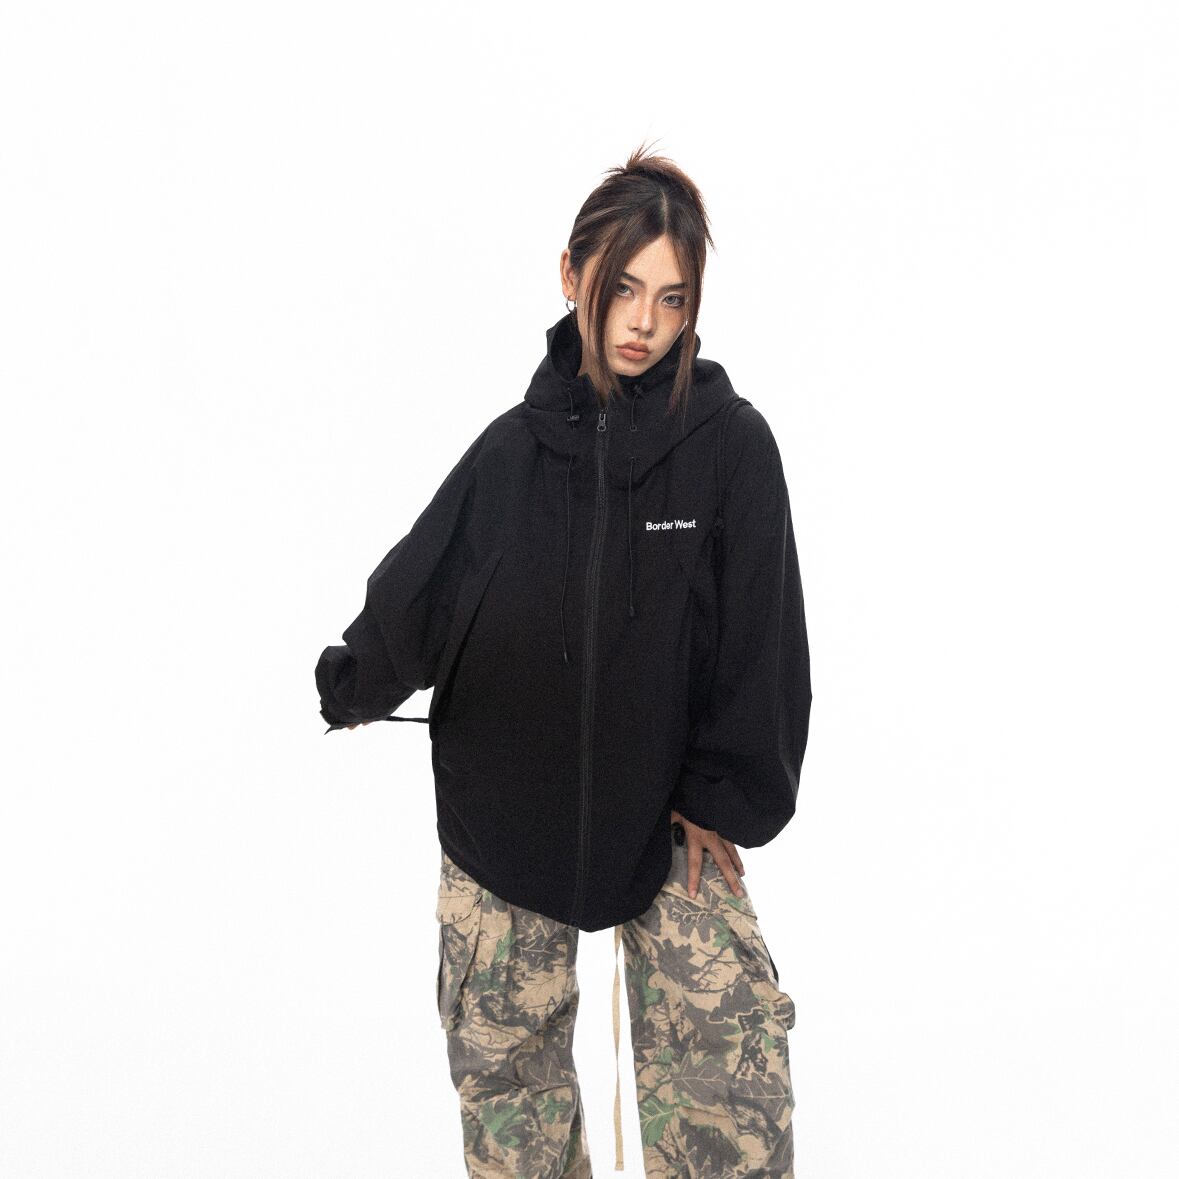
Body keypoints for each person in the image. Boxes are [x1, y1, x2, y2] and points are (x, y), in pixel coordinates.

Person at [315, 144, 812, 1178]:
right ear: (570, 274)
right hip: (504, 814)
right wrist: (357, 677)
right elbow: (424, 584)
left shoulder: (729, 446)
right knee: (510, 1098)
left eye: (672, 299)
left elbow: (764, 640)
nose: (643, 323)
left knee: (729, 1087)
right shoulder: (512, 452)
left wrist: (719, 796)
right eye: (621, 288)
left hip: (671, 816)